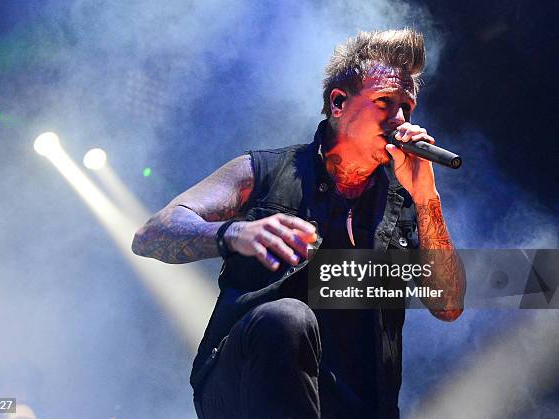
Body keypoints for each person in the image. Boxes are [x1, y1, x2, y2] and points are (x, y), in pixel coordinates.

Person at [132, 28, 466, 419]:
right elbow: (151, 234)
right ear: (338, 103)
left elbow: (448, 305)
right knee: (286, 318)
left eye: (406, 108)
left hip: (354, 407)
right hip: (240, 388)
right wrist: (233, 233)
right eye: (384, 102)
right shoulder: (266, 171)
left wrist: (427, 196)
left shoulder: (402, 204)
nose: (399, 119)